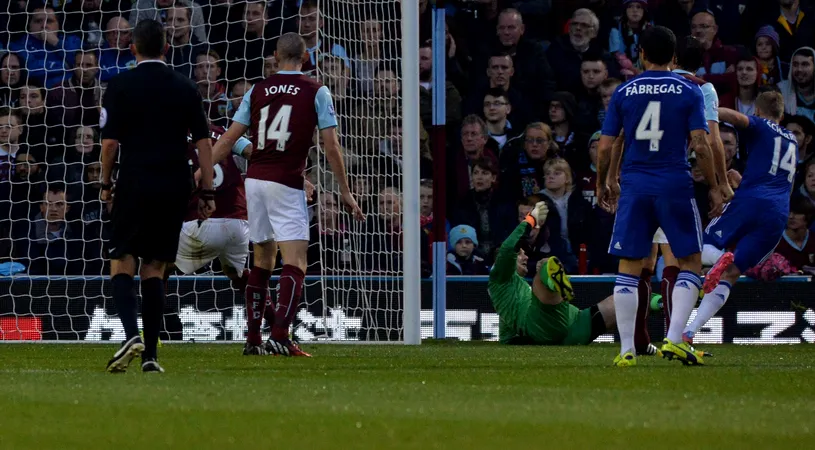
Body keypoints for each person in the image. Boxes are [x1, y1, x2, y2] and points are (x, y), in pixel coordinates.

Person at [212, 33, 364, 357]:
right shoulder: (316, 90)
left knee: (262, 260)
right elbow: (331, 146)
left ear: (275, 56)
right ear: (306, 56)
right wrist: (346, 192)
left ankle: (253, 340)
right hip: (286, 181)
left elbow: (229, 138)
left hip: (254, 181)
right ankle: (280, 334)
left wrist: (201, 168)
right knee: (295, 260)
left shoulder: (257, 90)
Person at [597, 26, 723, 367]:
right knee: (690, 261)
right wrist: (713, 185)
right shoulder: (690, 90)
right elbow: (701, 142)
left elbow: (608, 144)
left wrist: (603, 182)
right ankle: (673, 338)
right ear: (675, 57)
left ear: (640, 54)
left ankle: (625, 349)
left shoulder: (625, 90)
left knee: (629, 265)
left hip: (635, 185)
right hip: (674, 184)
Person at [101, 19, 214, 374]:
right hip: (174, 183)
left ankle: (131, 334)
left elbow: (109, 144)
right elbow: (203, 143)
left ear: (133, 48)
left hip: (135, 180)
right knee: (155, 267)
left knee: (121, 259)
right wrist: (207, 189)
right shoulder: (185, 87)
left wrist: (105, 182)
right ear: (166, 48)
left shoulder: (120, 84)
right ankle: (151, 355)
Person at [685, 93, 798, 345]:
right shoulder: (792, 141)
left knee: (701, 248)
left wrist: (707, 110)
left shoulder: (761, 124)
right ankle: (691, 330)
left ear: (757, 111)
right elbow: (783, 183)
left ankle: (717, 260)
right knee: (733, 274)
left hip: (751, 200)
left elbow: (732, 117)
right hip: (778, 213)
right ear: (781, 114)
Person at [643, 35, 731, 343]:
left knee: (639, 260)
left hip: (637, 176)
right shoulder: (699, 87)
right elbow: (710, 142)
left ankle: (636, 342)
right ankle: (674, 337)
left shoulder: (644, 83)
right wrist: (717, 184)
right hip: (672, 178)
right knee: (677, 260)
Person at [488, 201, 660, 353]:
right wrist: (531, 220)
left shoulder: (511, 288)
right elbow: (507, 248)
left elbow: (508, 334)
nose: (525, 257)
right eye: (520, 254)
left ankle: (657, 302)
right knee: (544, 265)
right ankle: (552, 278)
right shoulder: (499, 278)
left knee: (617, 301)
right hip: (541, 324)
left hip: (574, 326)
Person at [174, 124, 253, 290]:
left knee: (157, 266)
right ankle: (267, 313)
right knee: (234, 273)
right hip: (238, 222)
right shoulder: (221, 131)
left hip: (200, 220)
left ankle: (164, 315)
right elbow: (250, 150)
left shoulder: (167, 135)